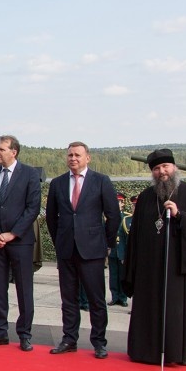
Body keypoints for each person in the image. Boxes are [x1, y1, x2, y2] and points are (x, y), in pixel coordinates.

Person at [122, 148, 186, 366]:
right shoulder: (145, 197)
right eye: (157, 168)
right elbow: (135, 236)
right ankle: (145, 351)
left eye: (165, 167)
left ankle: (178, 353)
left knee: (175, 310)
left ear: (174, 167)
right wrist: (131, 268)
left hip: (176, 266)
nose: (162, 172)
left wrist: (181, 215)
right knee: (148, 307)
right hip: (148, 267)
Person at [45, 142, 121, 359]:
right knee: (68, 299)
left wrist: (105, 243)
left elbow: (113, 215)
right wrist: (60, 241)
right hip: (66, 250)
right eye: (69, 155)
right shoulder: (58, 183)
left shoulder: (101, 181)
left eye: (77, 155)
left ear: (88, 158)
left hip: (93, 251)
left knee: (96, 299)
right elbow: (51, 217)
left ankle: (99, 342)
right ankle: (69, 339)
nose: (73, 158)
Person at [0, 135, 42, 351]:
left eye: (1, 149)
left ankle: (24, 334)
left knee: (24, 289)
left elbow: (32, 208)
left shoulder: (30, 174)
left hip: (20, 242)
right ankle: (0, 331)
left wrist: (12, 234)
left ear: (13, 152)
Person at [108, 193, 132, 307]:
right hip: (112, 249)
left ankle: (123, 298)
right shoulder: (107, 216)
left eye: (118, 202)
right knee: (113, 275)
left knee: (122, 276)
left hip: (122, 251)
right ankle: (114, 297)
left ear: (122, 204)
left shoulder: (126, 217)